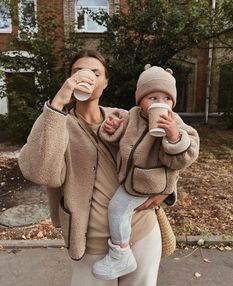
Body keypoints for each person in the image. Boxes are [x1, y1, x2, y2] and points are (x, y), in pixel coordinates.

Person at [18, 50, 177, 286]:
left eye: (95, 72)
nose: (87, 76)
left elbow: (166, 148)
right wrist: (58, 103)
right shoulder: (55, 122)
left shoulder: (126, 118)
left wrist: (169, 186)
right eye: (78, 71)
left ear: (105, 82)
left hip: (142, 231)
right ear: (69, 79)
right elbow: (41, 172)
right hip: (90, 241)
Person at [92, 65, 200, 280]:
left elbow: (187, 154)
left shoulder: (174, 122)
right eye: (152, 97)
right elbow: (123, 137)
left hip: (149, 183)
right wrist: (113, 129)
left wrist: (173, 136)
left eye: (166, 99)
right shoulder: (132, 116)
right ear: (139, 99)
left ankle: (120, 254)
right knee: (120, 210)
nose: (160, 103)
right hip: (132, 179)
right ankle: (124, 250)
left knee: (117, 209)